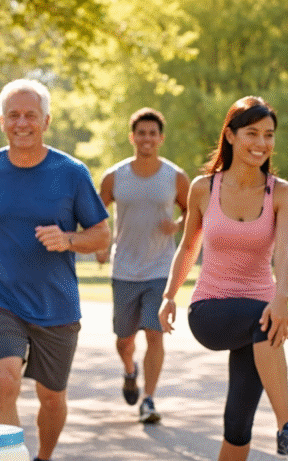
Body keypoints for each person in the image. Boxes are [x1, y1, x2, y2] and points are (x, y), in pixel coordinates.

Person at [159, 96, 288, 461]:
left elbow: (285, 249)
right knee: (260, 320)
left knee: (239, 419)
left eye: (268, 135)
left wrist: (282, 299)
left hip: (260, 319)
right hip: (211, 309)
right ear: (231, 135)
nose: (261, 143)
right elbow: (188, 245)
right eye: (251, 133)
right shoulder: (203, 187)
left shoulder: (282, 193)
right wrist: (170, 294)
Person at [0, 78, 110, 461]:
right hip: (0, 298)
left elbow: (101, 235)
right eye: (14, 115)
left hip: (57, 303)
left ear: (46, 120)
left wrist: (69, 240)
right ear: (2, 121)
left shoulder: (71, 173)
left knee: (51, 397)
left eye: (30, 115)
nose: (22, 123)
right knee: (4, 381)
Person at [97, 108, 189, 424]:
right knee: (124, 339)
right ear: (132, 137)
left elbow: (194, 214)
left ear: (160, 139)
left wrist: (178, 225)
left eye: (152, 133)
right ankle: (129, 369)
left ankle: (148, 400)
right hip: (123, 268)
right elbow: (96, 213)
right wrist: (99, 244)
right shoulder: (114, 176)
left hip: (160, 268)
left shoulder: (175, 177)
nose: (146, 138)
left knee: (155, 332)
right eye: (141, 133)